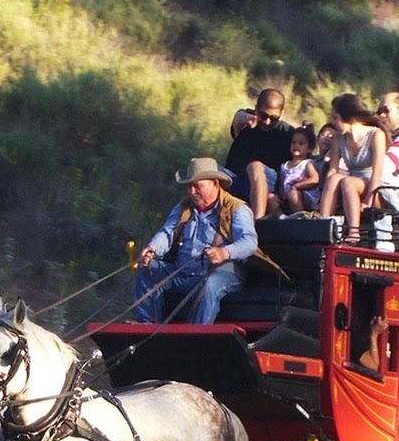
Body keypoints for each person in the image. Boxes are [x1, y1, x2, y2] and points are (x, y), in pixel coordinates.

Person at [134, 157, 258, 325]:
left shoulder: (237, 209)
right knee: (148, 269)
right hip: (183, 272)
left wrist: (224, 252)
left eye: (197, 186)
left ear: (215, 183)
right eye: (189, 186)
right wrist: (152, 248)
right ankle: (147, 327)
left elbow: (249, 242)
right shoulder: (183, 207)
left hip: (223, 274)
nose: (192, 192)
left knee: (211, 284)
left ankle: (196, 335)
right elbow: (167, 232)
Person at [318, 93, 387, 244]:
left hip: (373, 187)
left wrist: (369, 200)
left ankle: (354, 232)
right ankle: (323, 225)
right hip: (350, 183)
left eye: (336, 118)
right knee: (334, 178)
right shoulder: (338, 138)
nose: (333, 123)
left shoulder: (376, 135)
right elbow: (333, 170)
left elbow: (377, 173)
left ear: (349, 117)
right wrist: (325, 192)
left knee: (348, 182)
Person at [225, 88, 295, 219]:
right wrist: (246, 118)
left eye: (274, 118)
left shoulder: (288, 134)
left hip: (270, 183)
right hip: (239, 180)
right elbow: (238, 118)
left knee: (255, 167)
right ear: (256, 109)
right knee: (204, 167)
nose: (267, 122)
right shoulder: (248, 122)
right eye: (263, 115)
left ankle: (258, 221)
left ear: (281, 113)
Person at [270, 125, 320, 216]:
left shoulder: (307, 163)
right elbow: (282, 183)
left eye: (301, 143)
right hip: (287, 196)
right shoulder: (284, 166)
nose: (296, 145)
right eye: (294, 143)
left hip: (304, 195)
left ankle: (300, 217)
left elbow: (315, 179)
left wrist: (296, 186)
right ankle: (282, 218)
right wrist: (282, 194)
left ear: (309, 149)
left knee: (293, 194)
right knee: (271, 197)